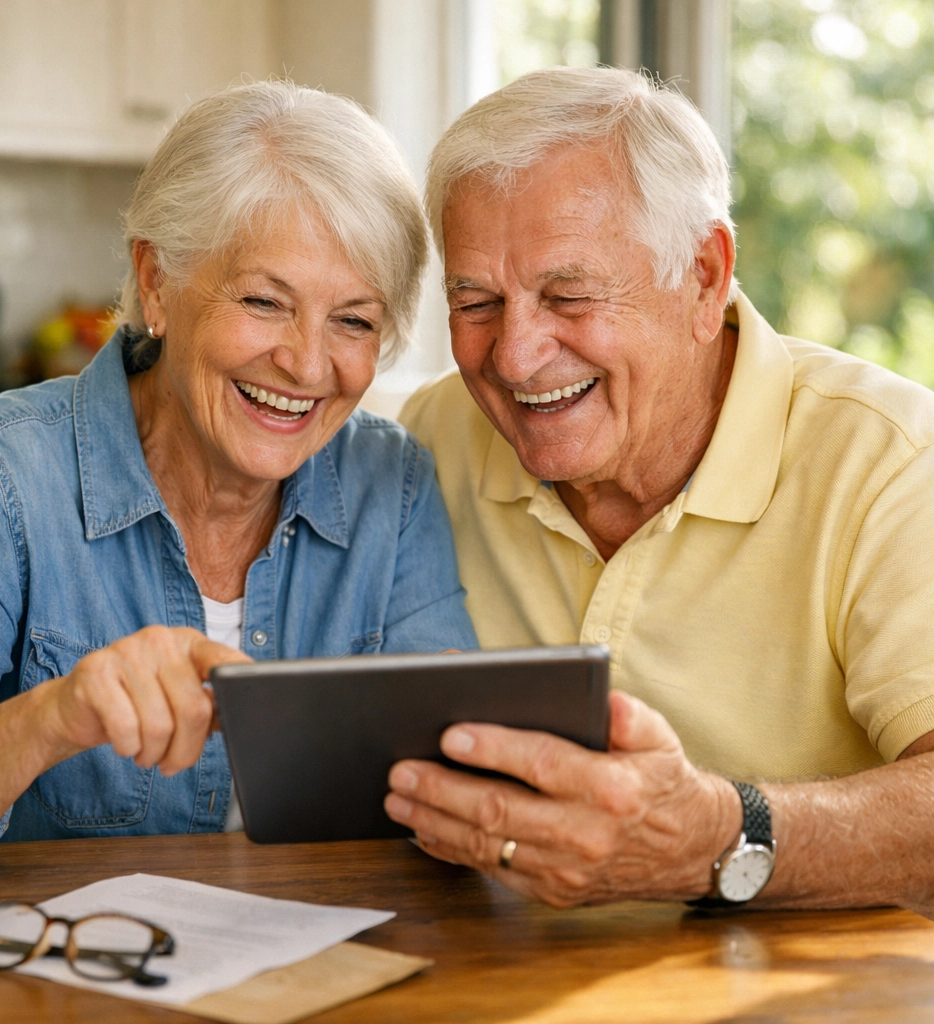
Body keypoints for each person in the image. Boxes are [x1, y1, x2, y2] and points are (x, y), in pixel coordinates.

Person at [388, 67, 934, 915]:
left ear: (706, 274)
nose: (516, 355)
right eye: (477, 301)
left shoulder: (892, 460)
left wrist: (720, 836)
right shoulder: (429, 439)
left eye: (569, 294)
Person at [0, 81, 477, 848]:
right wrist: (52, 718)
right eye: (264, 302)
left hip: (326, 957)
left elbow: (451, 790)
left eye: (354, 320)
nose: (307, 365)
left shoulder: (395, 487)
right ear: (156, 283)